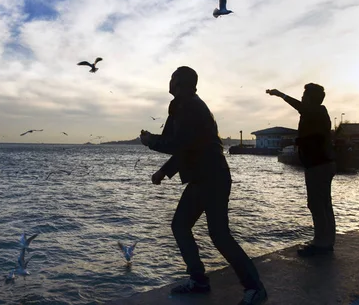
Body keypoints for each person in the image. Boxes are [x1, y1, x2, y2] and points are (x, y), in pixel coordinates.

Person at [140, 66, 267, 305]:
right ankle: (198, 280)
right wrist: (164, 171)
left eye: (172, 78)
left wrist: (150, 141)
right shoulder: (185, 106)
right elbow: (187, 147)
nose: (169, 81)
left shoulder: (187, 106)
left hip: (211, 178)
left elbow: (176, 142)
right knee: (181, 225)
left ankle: (254, 288)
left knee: (219, 235)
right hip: (205, 177)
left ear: (179, 83)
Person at [266, 84, 336, 256]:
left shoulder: (315, 112)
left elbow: (302, 109)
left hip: (318, 165)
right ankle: (327, 241)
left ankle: (321, 243)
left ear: (311, 98)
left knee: (317, 204)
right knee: (324, 203)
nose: (302, 97)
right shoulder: (317, 113)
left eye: (305, 95)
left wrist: (281, 94)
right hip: (322, 163)